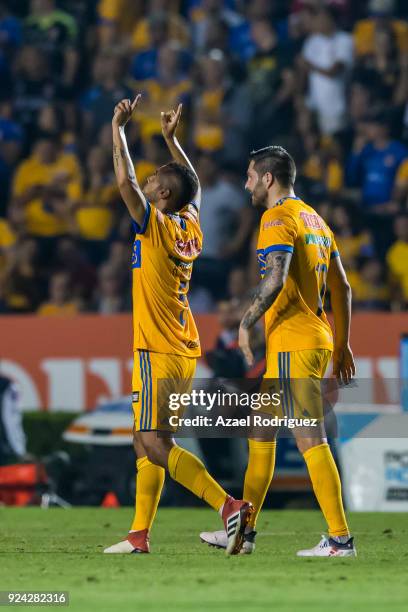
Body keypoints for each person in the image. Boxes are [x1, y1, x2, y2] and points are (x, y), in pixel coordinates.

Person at [104, 96, 252, 555]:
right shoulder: (190, 222)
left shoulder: (158, 225)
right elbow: (196, 188)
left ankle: (228, 507)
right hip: (181, 343)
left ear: (162, 196)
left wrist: (119, 130)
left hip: (157, 345)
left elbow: (124, 181)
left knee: (153, 439)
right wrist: (171, 140)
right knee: (142, 437)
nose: (146, 183)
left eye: (155, 182)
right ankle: (138, 534)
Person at [200, 145, 357, 557]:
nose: (246, 183)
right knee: (261, 429)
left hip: (295, 341)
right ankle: (243, 532)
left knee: (310, 438)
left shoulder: (276, 217)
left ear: (268, 178)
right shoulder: (316, 219)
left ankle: (340, 540)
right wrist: (340, 346)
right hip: (313, 338)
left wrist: (246, 322)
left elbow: (275, 279)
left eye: (250, 176)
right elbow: (343, 287)